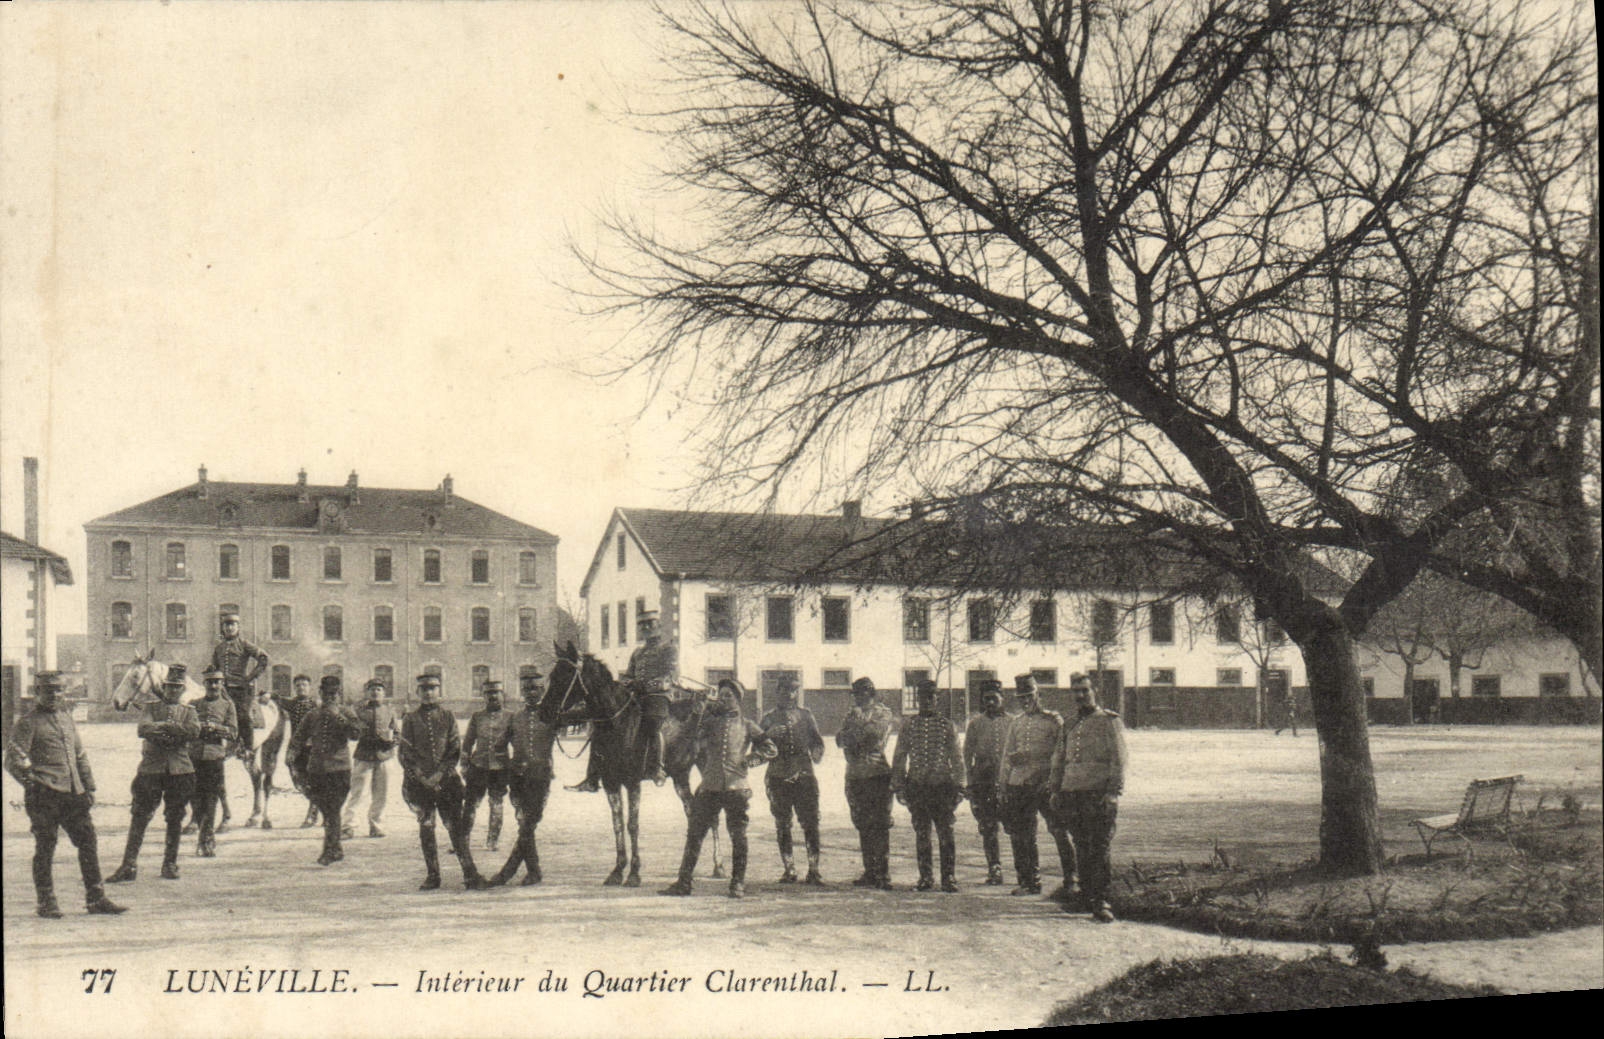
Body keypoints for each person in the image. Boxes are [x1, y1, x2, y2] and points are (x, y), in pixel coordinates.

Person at [4, 671, 126, 918]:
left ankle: (96, 898)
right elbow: (13, 760)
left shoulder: (67, 719)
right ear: (37, 692)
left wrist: (88, 787)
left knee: (88, 842)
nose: (54, 695)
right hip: (44, 796)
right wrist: (33, 784)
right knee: (46, 846)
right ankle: (46, 902)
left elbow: (80, 756)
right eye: (48, 690)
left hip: (73, 794)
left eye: (58, 690)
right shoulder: (28, 722)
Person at [659, 678, 776, 899]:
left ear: (738, 700)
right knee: (694, 835)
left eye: (728, 696)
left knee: (738, 837)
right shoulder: (709, 723)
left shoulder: (747, 725)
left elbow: (770, 748)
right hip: (710, 788)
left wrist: (749, 761)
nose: (723, 699)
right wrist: (696, 714)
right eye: (721, 695)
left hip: (736, 789)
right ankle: (684, 883)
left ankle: (737, 884)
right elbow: (687, 737)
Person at [106, 664, 201, 883]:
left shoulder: (190, 712)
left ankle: (170, 863)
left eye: (177, 688)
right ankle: (128, 865)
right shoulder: (150, 707)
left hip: (180, 771)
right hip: (151, 770)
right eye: (169, 687)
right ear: (164, 687)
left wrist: (164, 729)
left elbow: (193, 731)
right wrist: (173, 729)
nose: (172, 691)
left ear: (182, 690)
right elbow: (143, 729)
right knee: (140, 816)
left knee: (175, 818)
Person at [1049, 673, 1128, 923]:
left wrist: (1114, 792)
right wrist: (1055, 790)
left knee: (1100, 846)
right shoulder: (1069, 724)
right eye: (1075, 691)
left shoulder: (1108, 721)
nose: (1080, 695)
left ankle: (1102, 899)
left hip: (1098, 793)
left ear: (1095, 691)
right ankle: (1086, 895)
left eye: (1085, 690)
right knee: (1081, 845)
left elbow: (1119, 759)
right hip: (1072, 792)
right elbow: (1059, 759)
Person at [568, 609, 675, 792]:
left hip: (658, 697)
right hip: (636, 697)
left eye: (651, 624)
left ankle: (657, 767)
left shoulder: (668, 649)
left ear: (659, 626)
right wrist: (628, 683)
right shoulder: (637, 653)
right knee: (604, 726)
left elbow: (670, 675)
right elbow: (628, 675)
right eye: (643, 625)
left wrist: (647, 685)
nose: (647, 628)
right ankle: (592, 776)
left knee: (653, 723)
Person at [399, 673, 487, 890]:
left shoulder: (448, 717)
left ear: (439, 691)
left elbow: (454, 749)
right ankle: (433, 875)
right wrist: (421, 777)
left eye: (433, 688)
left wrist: (440, 774)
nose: (429, 693)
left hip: (446, 783)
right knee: (426, 827)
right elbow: (405, 752)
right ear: (418, 692)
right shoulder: (410, 719)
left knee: (455, 828)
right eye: (424, 689)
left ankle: (469, 873)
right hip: (419, 785)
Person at [998, 673, 1075, 897]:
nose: (1025, 701)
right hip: (1020, 784)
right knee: (1023, 835)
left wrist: (1054, 782)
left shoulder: (1053, 721)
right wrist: (1004, 784)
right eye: (1021, 697)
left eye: (1029, 696)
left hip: (1045, 784)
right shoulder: (1017, 723)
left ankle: (1072, 878)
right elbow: (1006, 755)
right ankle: (1029, 881)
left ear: (1038, 694)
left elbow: (1062, 753)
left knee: (1059, 831)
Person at [891, 679, 966, 892]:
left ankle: (949, 877)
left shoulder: (947, 726)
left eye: (931, 697)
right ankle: (925, 877)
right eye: (923, 698)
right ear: (917, 700)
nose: (927, 702)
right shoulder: (909, 725)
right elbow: (900, 756)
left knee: (946, 833)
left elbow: (957, 758)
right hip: (918, 788)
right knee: (922, 833)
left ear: (937, 699)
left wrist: (960, 786)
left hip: (942, 788)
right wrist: (899, 786)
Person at [486, 671, 559, 887]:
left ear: (543, 690)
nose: (531, 693)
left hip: (540, 777)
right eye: (527, 689)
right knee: (524, 825)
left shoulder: (551, 716)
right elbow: (499, 746)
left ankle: (510, 872)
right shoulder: (515, 718)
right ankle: (531, 872)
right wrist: (507, 767)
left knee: (527, 825)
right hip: (518, 779)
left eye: (535, 688)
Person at [288, 676, 363, 866]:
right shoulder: (312, 715)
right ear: (320, 693)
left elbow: (356, 734)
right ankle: (335, 848)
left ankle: (330, 850)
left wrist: (338, 716)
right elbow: (298, 737)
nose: (330, 697)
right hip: (317, 769)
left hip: (340, 768)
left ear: (339, 695)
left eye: (334, 694)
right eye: (326, 694)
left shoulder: (347, 712)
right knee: (327, 809)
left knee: (332, 810)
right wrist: (292, 753)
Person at [759, 674, 826, 884]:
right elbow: (757, 749)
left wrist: (817, 753)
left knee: (811, 822)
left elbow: (818, 742)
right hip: (778, 775)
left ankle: (814, 869)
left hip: (804, 775)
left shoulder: (806, 715)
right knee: (782, 823)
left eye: (793, 690)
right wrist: (768, 735)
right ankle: (789, 869)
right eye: (786, 690)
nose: (790, 695)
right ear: (777, 692)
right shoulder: (768, 718)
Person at [835, 676, 897, 890]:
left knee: (880, 824)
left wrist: (853, 733)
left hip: (877, 774)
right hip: (855, 776)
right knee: (862, 824)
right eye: (856, 695)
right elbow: (840, 740)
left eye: (862, 694)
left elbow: (874, 737)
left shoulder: (883, 713)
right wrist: (853, 734)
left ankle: (883, 873)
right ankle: (870, 871)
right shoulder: (851, 714)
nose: (858, 698)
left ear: (871, 694)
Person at [964, 678, 1011, 885]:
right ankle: (995, 868)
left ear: (1002, 698)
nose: (990, 703)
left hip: (1010, 782)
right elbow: (966, 755)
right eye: (986, 700)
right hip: (984, 781)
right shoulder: (975, 724)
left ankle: (1025, 870)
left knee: (1016, 827)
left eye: (994, 698)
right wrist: (970, 781)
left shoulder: (1013, 722)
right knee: (988, 828)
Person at [189, 666, 238, 858]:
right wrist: (198, 727)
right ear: (204, 684)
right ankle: (204, 832)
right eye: (210, 682)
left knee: (210, 799)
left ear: (222, 684)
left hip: (214, 756)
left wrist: (215, 727)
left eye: (217, 682)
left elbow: (233, 732)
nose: (214, 686)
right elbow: (188, 727)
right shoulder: (194, 704)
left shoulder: (227, 706)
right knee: (194, 797)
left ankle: (206, 839)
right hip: (193, 756)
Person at [342, 678, 399, 840]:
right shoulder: (358, 711)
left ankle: (376, 825)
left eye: (379, 689)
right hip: (364, 756)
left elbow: (397, 733)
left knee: (382, 793)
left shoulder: (389, 711)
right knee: (358, 793)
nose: (375, 692)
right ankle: (348, 826)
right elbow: (352, 734)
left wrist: (392, 742)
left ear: (384, 693)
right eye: (372, 689)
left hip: (384, 757)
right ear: (367, 692)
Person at [461, 679, 512, 851]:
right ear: (483, 696)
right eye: (488, 693)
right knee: (470, 804)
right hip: (478, 766)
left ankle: (492, 841)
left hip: (500, 768)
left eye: (496, 692)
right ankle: (463, 841)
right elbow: (468, 742)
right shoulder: (477, 717)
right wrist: (464, 764)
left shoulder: (510, 717)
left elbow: (517, 743)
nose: (492, 696)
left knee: (496, 803)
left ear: (502, 695)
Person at [210, 611, 268, 759]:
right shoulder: (219, 648)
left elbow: (263, 658)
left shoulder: (244, 644)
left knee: (243, 716)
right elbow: (214, 668)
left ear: (238, 627)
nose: (229, 628)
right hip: (223, 689)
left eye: (232, 625)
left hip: (241, 689)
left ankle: (248, 749)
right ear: (223, 628)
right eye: (226, 625)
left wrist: (250, 677)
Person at [272, 673, 322, 829]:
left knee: (313, 779)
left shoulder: (316, 704)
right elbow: (277, 699)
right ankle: (320, 805)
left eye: (304, 685)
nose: (301, 688)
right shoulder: (292, 704)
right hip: (295, 746)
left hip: (313, 747)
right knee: (297, 779)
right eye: (298, 685)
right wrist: (267, 695)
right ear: (295, 688)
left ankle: (312, 814)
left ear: (310, 687)